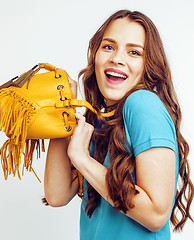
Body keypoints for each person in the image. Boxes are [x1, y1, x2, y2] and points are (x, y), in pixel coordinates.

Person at [43, 10, 194, 239]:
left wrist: (82, 160)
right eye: (108, 47)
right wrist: (62, 110)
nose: (117, 58)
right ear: (96, 55)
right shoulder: (100, 120)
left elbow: (155, 215)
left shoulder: (142, 103)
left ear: (148, 65)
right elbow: (56, 195)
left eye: (134, 52)